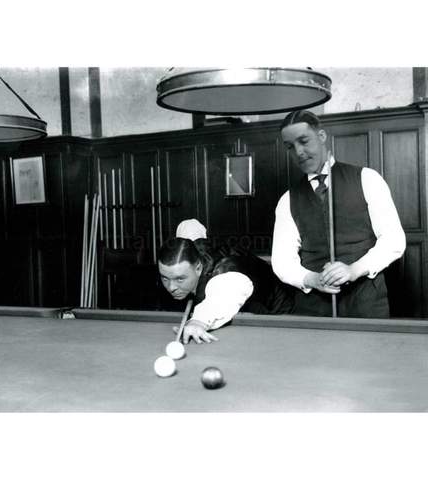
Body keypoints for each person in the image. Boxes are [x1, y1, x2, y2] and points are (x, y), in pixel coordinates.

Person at [271, 110, 406, 318]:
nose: (298, 152)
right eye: (290, 146)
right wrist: (312, 279)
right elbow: (282, 262)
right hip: (313, 311)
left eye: (304, 141)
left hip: (366, 305)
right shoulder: (287, 200)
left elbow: (394, 241)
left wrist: (354, 270)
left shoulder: (367, 179)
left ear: (321, 136)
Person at [158, 219, 293, 344]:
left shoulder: (225, 277)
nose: (171, 287)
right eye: (165, 278)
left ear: (198, 268)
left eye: (180, 279)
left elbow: (222, 298)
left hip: (276, 306)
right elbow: (189, 225)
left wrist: (198, 321)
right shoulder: (191, 247)